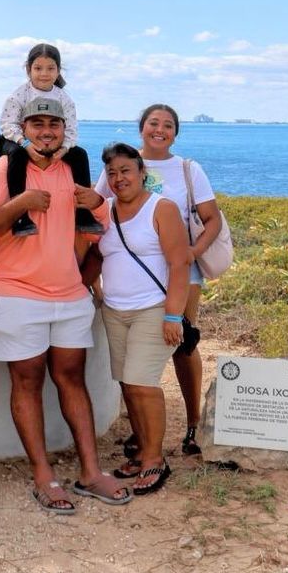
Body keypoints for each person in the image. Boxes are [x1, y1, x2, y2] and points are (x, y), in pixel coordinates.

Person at [0, 97, 132, 514]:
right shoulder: (1, 171)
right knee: (27, 382)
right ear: (23, 129)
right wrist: (20, 203)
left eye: (53, 124)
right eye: (37, 123)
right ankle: (44, 475)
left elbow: (97, 231)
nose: (46, 131)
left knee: (73, 379)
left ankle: (91, 472)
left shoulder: (72, 170)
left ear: (64, 129)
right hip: (17, 294)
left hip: (69, 295)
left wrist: (97, 204)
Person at [94, 103, 223, 457]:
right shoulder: (121, 164)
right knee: (135, 357)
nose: (160, 130)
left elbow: (212, 218)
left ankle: (193, 424)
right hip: (137, 268)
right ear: (141, 128)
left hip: (180, 268)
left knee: (183, 342)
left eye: (168, 125)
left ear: (175, 133)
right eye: (153, 123)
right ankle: (141, 430)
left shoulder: (187, 169)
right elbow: (100, 208)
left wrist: (193, 252)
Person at [92, 143, 191, 497]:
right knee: (126, 383)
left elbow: (180, 263)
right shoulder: (105, 210)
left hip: (153, 308)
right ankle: (141, 449)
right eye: (112, 173)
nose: (119, 178)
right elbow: (97, 255)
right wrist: (93, 288)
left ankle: (154, 458)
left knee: (142, 382)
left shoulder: (161, 208)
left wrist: (173, 314)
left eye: (126, 171)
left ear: (141, 173)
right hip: (114, 310)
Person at [0, 42, 100, 236]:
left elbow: (71, 129)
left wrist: (65, 148)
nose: (44, 74)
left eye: (50, 68)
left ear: (58, 71)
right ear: (28, 70)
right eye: (38, 68)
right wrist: (25, 144)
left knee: (80, 155)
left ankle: (83, 213)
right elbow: (7, 124)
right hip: (15, 139)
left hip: (46, 140)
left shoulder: (64, 98)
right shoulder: (19, 95)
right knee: (17, 156)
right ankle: (20, 215)